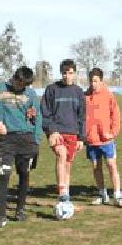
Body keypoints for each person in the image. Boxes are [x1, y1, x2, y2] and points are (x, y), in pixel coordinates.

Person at [0, 66, 43, 231]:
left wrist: (36, 140)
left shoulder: (30, 94)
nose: (21, 88)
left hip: (27, 140)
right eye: (20, 84)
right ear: (16, 78)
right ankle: (1, 216)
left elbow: (38, 117)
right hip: (6, 140)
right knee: (4, 174)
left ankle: (20, 210)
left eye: (25, 86)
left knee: (24, 174)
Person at [41, 59, 86, 205]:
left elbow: (82, 116)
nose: (67, 76)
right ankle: (62, 193)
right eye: (65, 73)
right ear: (61, 74)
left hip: (72, 133)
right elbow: (45, 112)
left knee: (67, 164)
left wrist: (81, 138)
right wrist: (51, 131)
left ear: (75, 74)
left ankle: (65, 197)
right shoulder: (52, 89)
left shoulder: (78, 92)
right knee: (62, 154)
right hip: (57, 133)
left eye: (70, 73)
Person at [84, 67, 122, 207]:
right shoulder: (85, 96)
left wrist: (113, 132)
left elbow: (116, 116)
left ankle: (118, 195)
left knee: (111, 165)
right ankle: (102, 194)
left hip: (106, 139)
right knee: (96, 166)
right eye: (91, 81)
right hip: (91, 139)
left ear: (101, 81)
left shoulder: (108, 96)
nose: (93, 84)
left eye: (96, 81)